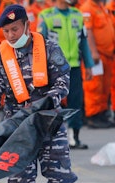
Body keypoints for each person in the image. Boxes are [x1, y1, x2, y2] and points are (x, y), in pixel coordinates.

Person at [0, 4, 77, 183]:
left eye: (15, 29)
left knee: (62, 181)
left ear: (27, 26)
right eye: (6, 31)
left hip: (48, 122)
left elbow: (62, 81)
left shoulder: (50, 49)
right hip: (18, 128)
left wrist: (49, 101)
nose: (11, 35)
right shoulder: (1, 58)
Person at [37, 0, 94, 149]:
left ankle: (74, 136)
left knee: (76, 101)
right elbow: (39, 44)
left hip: (74, 66)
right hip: (53, 68)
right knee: (52, 102)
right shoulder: (46, 16)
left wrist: (88, 65)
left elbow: (83, 41)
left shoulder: (77, 15)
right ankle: (50, 137)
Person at [80, 0, 115, 128]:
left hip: (107, 55)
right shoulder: (87, 8)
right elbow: (87, 32)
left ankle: (102, 114)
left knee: (104, 87)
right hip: (97, 55)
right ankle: (93, 116)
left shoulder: (101, 7)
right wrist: (93, 52)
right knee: (94, 86)